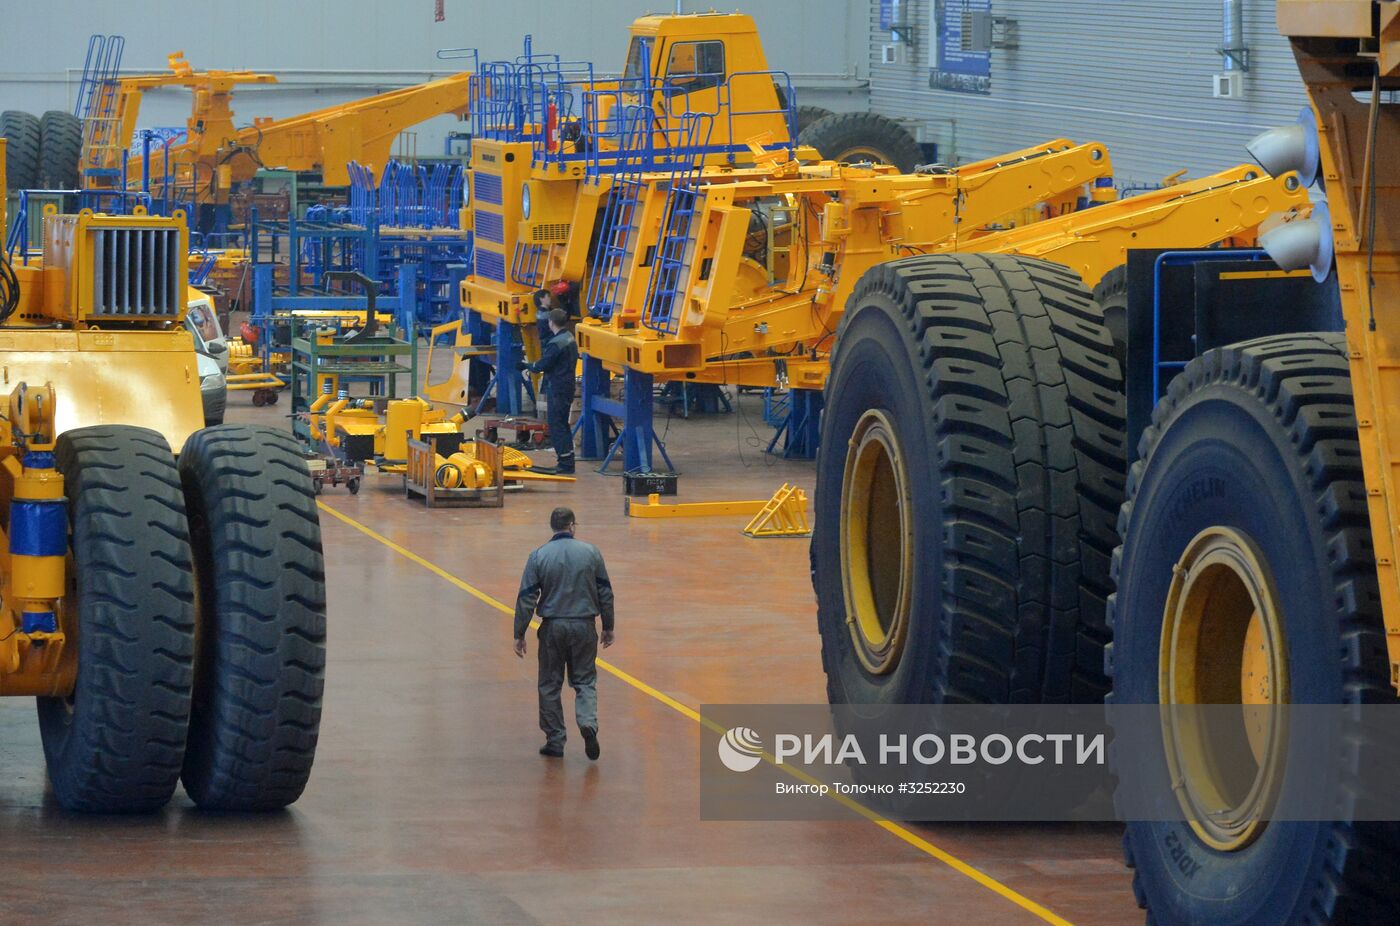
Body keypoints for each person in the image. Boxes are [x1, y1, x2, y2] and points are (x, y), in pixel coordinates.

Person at [513, 506, 615, 759]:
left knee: (549, 684)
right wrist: (609, 626)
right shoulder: (591, 553)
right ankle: (588, 724)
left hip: (553, 628)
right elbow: (605, 592)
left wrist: (519, 633)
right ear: (572, 526)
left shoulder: (538, 556)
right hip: (584, 626)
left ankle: (556, 740)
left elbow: (527, 598)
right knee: (585, 681)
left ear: (553, 527)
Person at [521, 307, 579, 474]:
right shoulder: (569, 337)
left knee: (556, 425)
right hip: (567, 385)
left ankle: (565, 464)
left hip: (558, 388)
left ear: (551, 322)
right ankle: (568, 460)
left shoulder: (556, 344)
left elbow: (542, 365)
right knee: (562, 424)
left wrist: (527, 365)